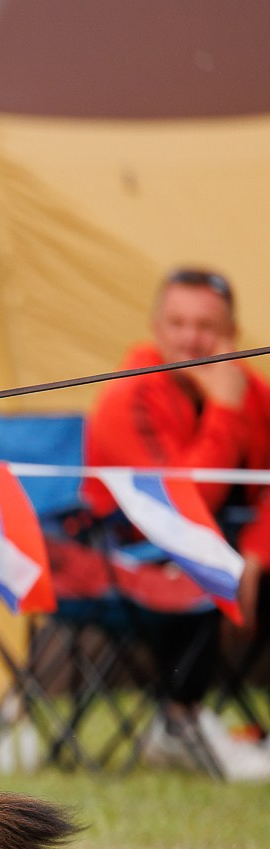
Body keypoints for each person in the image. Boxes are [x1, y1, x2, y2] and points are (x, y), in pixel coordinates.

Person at [84, 267, 270, 779]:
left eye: (207, 326)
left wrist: (258, 552)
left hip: (227, 551)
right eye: (178, 323)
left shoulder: (255, 392)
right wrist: (225, 412)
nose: (192, 338)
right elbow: (180, 505)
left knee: (230, 552)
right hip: (126, 554)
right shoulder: (126, 397)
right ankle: (178, 721)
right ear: (156, 327)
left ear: (232, 332)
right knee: (206, 553)